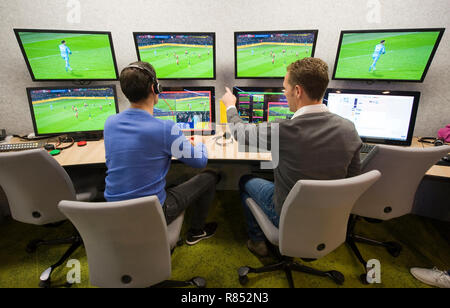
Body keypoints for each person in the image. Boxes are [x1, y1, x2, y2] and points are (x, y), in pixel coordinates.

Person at [221, 57, 362, 257]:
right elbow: (353, 179)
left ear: (297, 91)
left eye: (284, 88)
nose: (284, 92)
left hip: (288, 216)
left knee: (245, 180)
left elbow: (240, 133)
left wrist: (230, 106)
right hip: (329, 216)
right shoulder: (349, 128)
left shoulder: (283, 130)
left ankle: (257, 241)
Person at [104, 61, 219, 245]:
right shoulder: (166, 128)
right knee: (210, 176)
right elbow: (200, 161)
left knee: (181, 178)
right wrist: (201, 142)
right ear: (154, 88)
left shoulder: (110, 123)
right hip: (153, 214)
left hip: (114, 213)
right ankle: (196, 231)